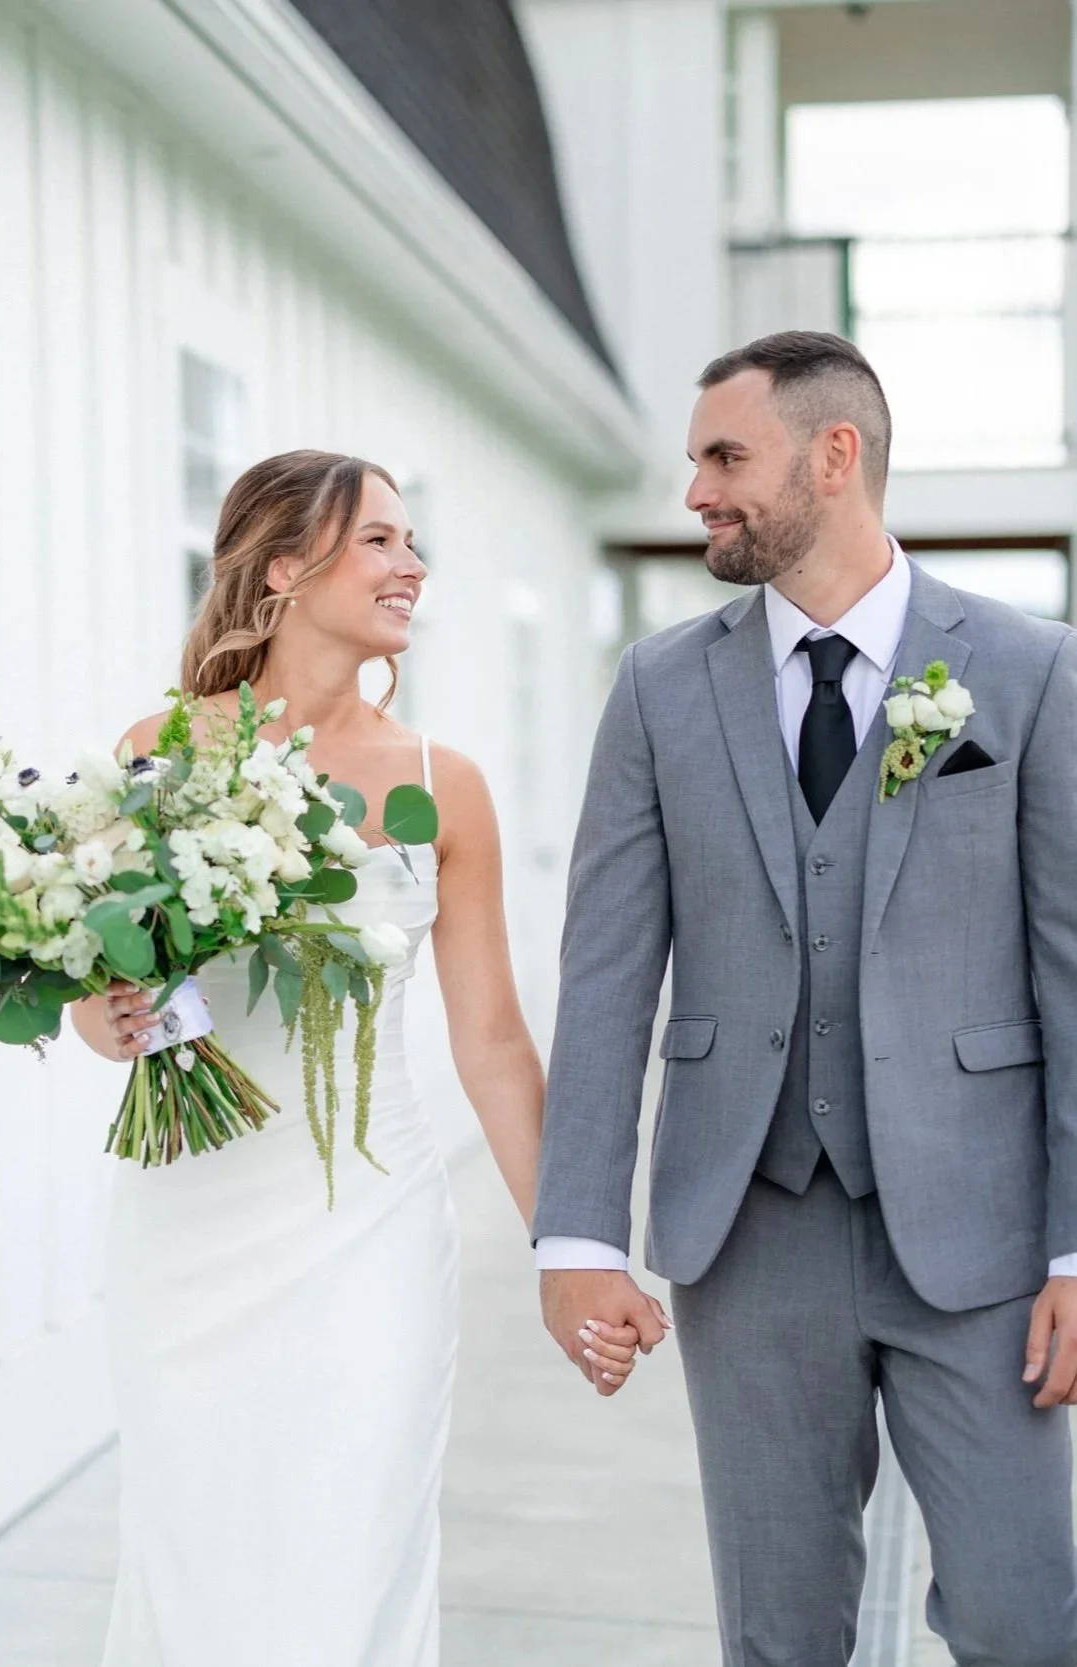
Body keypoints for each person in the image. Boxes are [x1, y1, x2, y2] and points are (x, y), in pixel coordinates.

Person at [534, 333, 1077, 1666]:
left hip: (982, 1234)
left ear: (835, 456)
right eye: (693, 461)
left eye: (724, 457)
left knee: (1023, 1616)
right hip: (749, 1224)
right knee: (776, 1632)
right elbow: (603, 969)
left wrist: (1074, 1245)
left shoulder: (1026, 669)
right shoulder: (660, 686)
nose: (695, 492)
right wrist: (574, 1237)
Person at [72, 450, 639, 1667]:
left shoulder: (448, 786)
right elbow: (99, 987)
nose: (410, 564)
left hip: (367, 1226)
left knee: (352, 1546)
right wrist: (106, 1016)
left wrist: (571, 1248)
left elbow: (489, 1039)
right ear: (283, 566)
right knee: (197, 1550)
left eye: (410, 540)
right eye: (378, 539)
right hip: (189, 1219)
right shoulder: (156, 751)